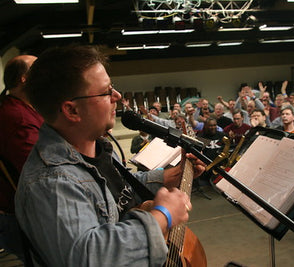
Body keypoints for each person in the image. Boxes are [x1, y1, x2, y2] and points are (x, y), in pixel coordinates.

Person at [14, 45, 205, 266]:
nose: (117, 96)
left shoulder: (96, 147)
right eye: (105, 92)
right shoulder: (51, 182)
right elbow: (87, 257)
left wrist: (168, 176)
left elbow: (119, 192)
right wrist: (163, 216)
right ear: (72, 111)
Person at [0, 54, 43, 262]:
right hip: (18, 218)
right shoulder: (18, 119)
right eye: (38, 68)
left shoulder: (22, 108)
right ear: (24, 79)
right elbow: (42, 172)